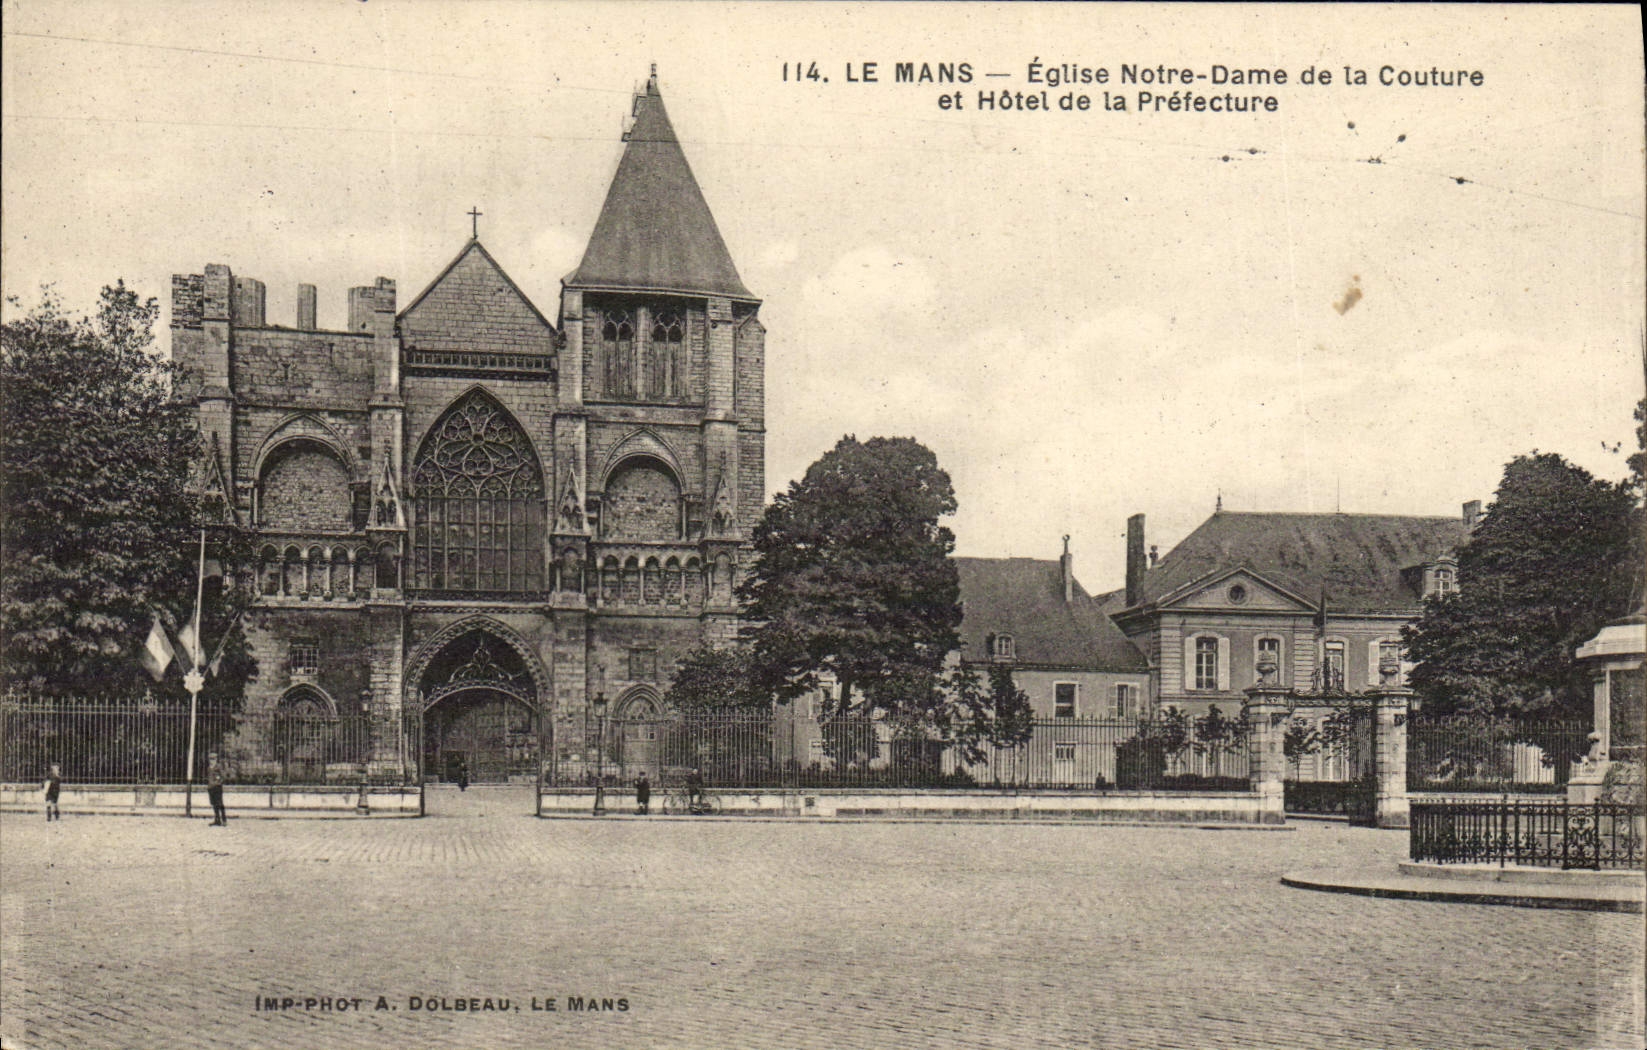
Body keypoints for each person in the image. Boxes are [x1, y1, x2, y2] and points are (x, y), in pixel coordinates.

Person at [206, 751, 228, 826]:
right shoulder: (209, 768)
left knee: (220, 803)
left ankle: (224, 820)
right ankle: (217, 819)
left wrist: (218, 783)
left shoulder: (218, 767)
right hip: (211, 787)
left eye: (213, 759)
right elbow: (209, 778)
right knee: (214, 804)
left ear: (216, 759)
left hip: (217, 788)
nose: (211, 761)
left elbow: (223, 776)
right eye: (210, 759)